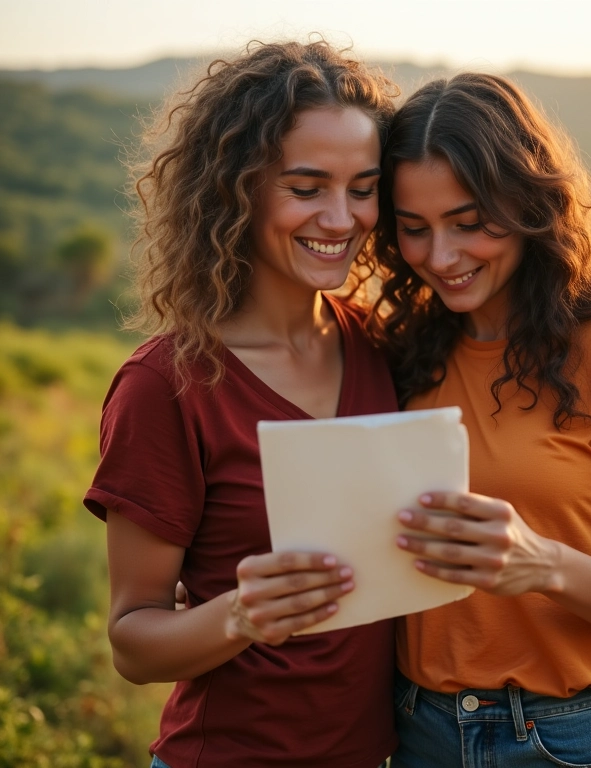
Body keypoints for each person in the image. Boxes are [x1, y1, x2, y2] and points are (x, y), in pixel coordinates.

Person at [368, 73, 591, 768]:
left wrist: (543, 562)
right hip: (416, 731)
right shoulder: (400, 350)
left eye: (469, 224)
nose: (441, 256)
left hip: (565, 741)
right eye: (414, 229)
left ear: (527, 203)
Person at [84, 40, 399, 768]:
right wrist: (242, 613)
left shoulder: (386, 349)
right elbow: (134, 639)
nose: (341, 217)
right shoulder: (166, 384)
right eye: (307, 186)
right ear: (237, 189)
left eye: (363, 187)